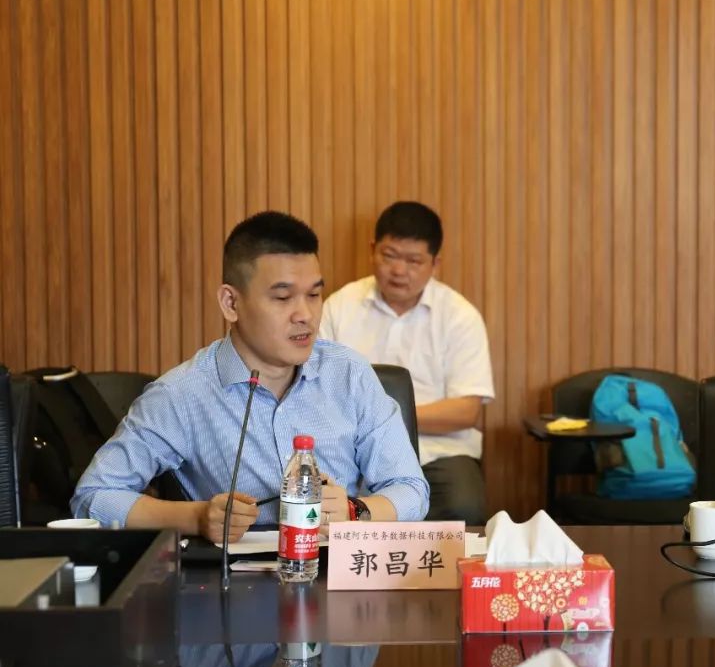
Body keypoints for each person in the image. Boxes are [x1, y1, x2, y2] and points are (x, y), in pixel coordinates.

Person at [72, 212, 429, 541]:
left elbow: (411, 489)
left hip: (336, 573)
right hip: (234, 580)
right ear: (231, 303)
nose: (305, 315)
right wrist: (196, 517)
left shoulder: (349, 373)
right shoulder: (182, 393)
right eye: (283, 297)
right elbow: (93, 497)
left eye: (314, 294)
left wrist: (357, 510)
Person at [320, 201, 494, 525]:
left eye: (414, 261)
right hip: (353, 452)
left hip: (437, 454)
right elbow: (316, 388)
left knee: (465, 508)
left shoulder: (460, 316)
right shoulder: (339, 307)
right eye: (389, 256)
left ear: (435, 263)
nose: (399, 270)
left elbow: (465, 410)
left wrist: (380, 420)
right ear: (372, 250)